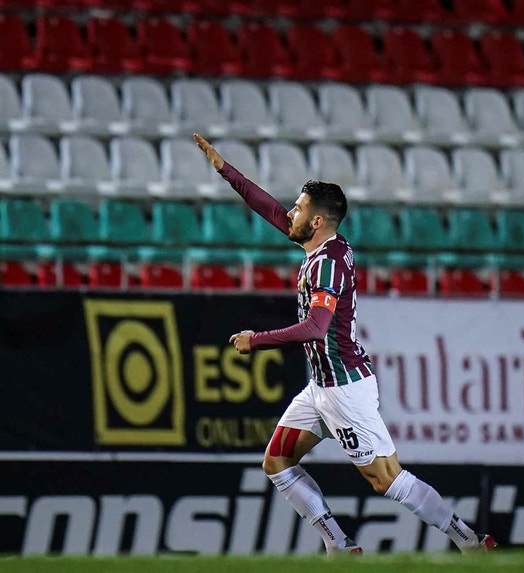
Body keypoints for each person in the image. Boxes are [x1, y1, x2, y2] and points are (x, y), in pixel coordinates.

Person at [193, 133, 496, 554]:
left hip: (344, 391)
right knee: (277, 461)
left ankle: (470, 541)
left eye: (299, 208)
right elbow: (271, 210)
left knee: (386, 479)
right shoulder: (321, 246)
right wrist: (226, 171)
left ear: (317, 221)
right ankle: (338, 545)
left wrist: (255, 340)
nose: (290, 213)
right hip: (321, 387)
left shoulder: (329, 263)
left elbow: (317, 327)